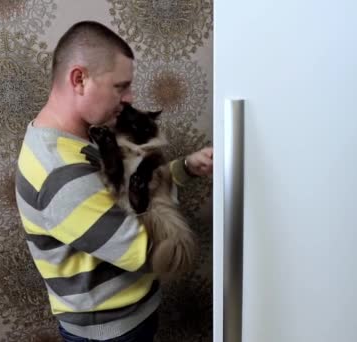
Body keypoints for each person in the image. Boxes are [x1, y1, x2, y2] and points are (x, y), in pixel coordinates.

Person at [15, 21, 213, 341]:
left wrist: (185, 169)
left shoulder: (82, 140)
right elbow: (150, 253)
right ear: (80, 79)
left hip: (129, 316)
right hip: (110, 332)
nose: (129, 98)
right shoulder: (60, 174)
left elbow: (124, 196)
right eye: (121, 86)